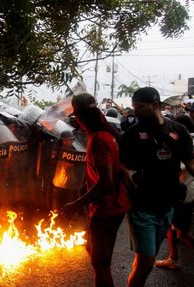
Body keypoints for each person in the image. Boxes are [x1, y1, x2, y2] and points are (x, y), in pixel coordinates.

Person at [120, 87, 194, 287]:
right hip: (142, 207)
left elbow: (192, 164)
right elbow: (122, 166)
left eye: (138, 107)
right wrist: (129, 181)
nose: (135, 111)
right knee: (146, 263)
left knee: (145, 259)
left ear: (155, 105)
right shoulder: (132, 134)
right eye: (133, 107)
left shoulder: (178, 131)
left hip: (167, 206)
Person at [61, 93, 131, 287]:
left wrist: (76, 204)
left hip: (107, 208)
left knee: (100, 263)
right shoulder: (106, 133)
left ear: (82, 116)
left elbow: (106, 181)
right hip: (109, 206)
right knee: (94, 253)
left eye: (76, 116)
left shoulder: (99, 138)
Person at [154, 114, 194, 282]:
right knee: (171, 225)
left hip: (185, 193)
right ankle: (173, 258)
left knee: (183, 233)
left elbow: (179, 168)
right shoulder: (192, 142)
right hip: (181, 191)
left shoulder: (187, 143)